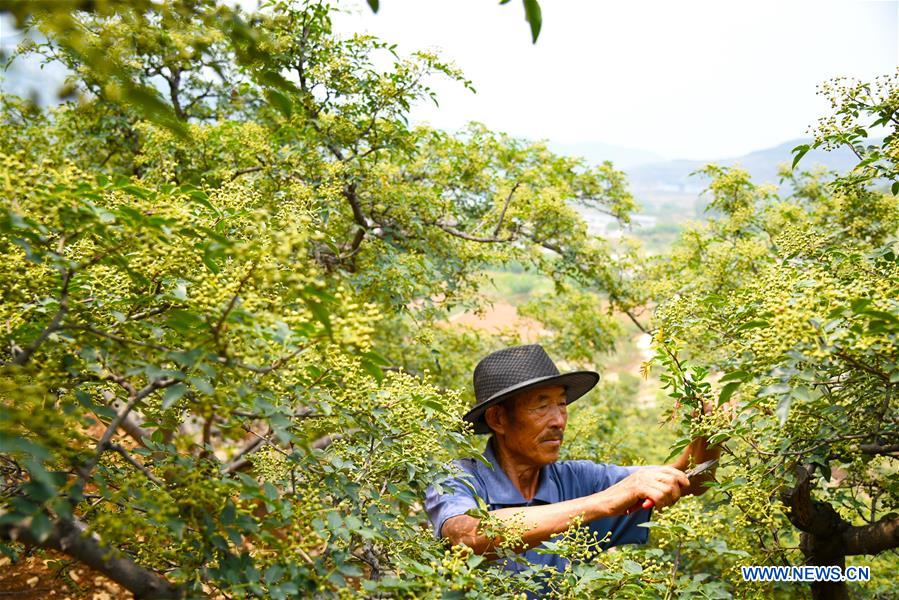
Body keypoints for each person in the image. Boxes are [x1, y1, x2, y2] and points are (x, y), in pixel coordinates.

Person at [424, 344, 720, 573]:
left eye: (562, 405)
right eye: (541, 407)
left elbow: (687, 479)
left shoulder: (576, 479)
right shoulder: (456, 478)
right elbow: (467, 535)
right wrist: (602, 502)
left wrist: (708, 432)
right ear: (498, 418)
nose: (558, 421)